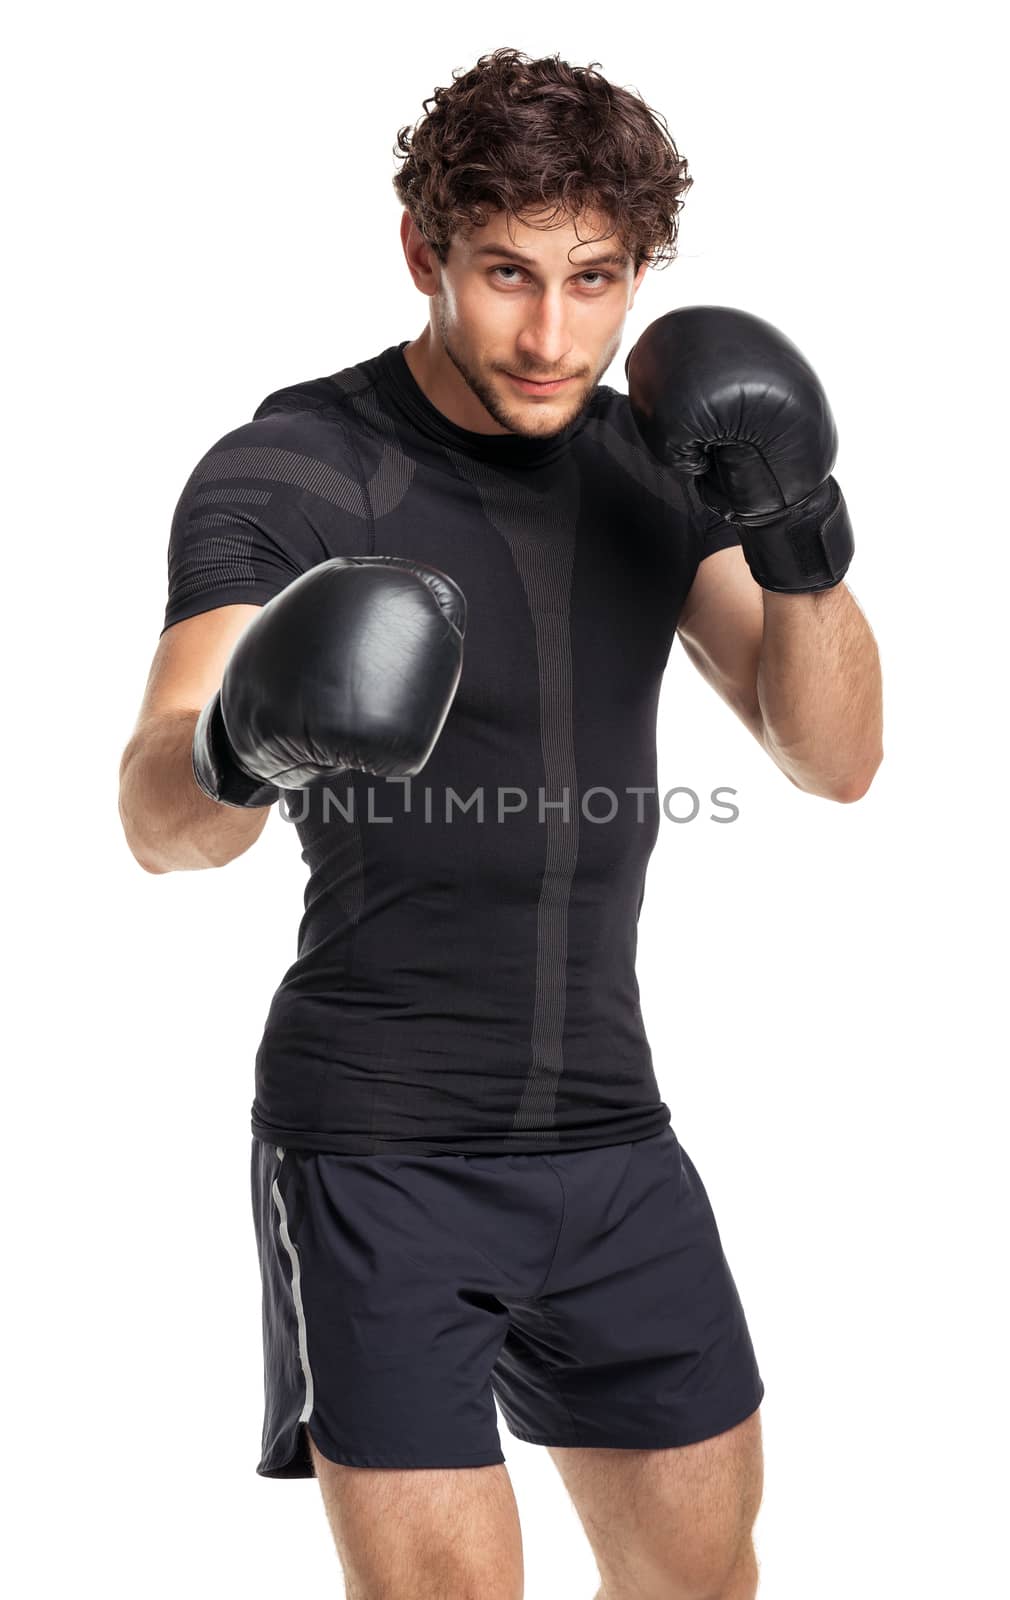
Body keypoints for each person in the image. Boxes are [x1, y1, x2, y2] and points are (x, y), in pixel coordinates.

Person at [118, 46, 883, 1600]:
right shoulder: (288, 469)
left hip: (612, 1142)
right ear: (425, 257)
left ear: (637, 273)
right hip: (379, 1145)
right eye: (505, 275)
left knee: (701, 1580)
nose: (552, 335)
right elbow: (155, 819)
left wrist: (796, 539)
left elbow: (834, 758)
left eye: (593, 279)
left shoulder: (649, 469)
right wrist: (245, 748)